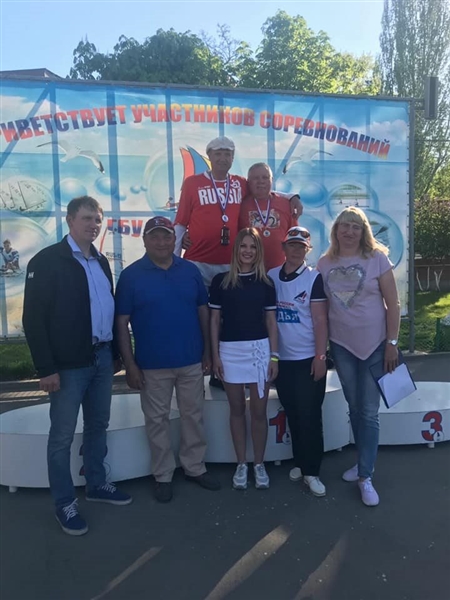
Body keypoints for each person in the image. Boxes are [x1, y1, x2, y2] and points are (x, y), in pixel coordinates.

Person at [22, 196, 132, 537]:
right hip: (68, 366)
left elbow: (108, 310)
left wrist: (115, 354)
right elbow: (33, 319)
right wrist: (45, 368)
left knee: (98, 425)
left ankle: (96, 484)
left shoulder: (101, 261)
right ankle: (65, 503)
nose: (93, 225)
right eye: (86, 218)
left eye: (97, 219)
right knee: (62, 437)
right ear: (70, 220)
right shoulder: (47, 261)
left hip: (101, 358)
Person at [115, 216, 220, 503]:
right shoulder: (131, 276)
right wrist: (129, 364)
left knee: (193, 416)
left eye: (167, 236)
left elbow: (203, 311)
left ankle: (194, 467)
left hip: (190, 360)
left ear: (175, 240)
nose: (161, 242)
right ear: (144, 240)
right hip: (151, 364)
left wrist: (207, 352)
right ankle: (163, 474)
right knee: (157, 420)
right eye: (155, 236)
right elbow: (121, 322)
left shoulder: (189, 270)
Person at [317, 206, 400, 507]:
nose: (349, 231)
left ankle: (366, 476)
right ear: (336, 231)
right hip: (342, 346)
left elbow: (393, 304)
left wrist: (392, 342)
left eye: (355, 226)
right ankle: (362, 461)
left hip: (376, 345)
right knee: (354, 408)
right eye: (344, 226)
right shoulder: (324, 263)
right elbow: (321, 308)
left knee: (368, 411)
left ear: (363, 231)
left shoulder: (377, 258)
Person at [174, 136, 303, 287]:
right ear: (209, 156)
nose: (223, 158)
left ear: (233, 158)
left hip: (230, 262)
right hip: (196, 260)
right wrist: (174, 262)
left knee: (225, 302)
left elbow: (263, 189)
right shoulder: (192, 183)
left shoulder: (239, 183)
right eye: (218, 154)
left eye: (227, 154)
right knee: (195, 300)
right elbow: (180, 224)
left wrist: (291, 197)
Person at [209, 227, 278, 490]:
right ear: (236, 249)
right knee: (236, 409)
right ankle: (241, 464)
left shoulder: (266, 283)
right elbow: (214, 321)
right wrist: (215, 355)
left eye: (253, 246)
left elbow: (271, 321)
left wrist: (274, 357)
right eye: (243, 246)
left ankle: (259, 464)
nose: (247, 251)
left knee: (258, 412)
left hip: (259, 352)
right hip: (229, 352)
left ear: (258, 251)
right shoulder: (220, 281)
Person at [268, 226, 329, 497]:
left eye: (301, 246)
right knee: (292, 412)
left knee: (310, 415)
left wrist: (320, 356)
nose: (296, 250)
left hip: (307, 359)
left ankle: (312, 470)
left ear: (308, 250)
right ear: (283, 247)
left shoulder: (314, 278)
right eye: (291, 245)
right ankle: (300, 462)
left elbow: (320, 320)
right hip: (283, 360)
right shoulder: (271, 276)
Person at [239, 163, 298, 270]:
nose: (261, 181)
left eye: (265, 177)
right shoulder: (241, 206)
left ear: (272, 180)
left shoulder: (286, 204)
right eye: (256, 178)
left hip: (279, 270)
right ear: (248, 182)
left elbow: (294, 237)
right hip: (251, 269)